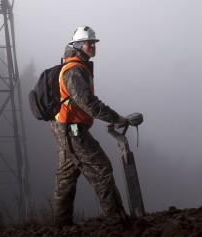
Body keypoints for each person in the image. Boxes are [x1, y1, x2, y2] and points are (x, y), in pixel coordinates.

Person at [50, 26, 129, 228]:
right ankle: (117, 222)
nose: (93, 46)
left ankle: (61, 225)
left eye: (94, 43)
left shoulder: (76, 66)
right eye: (89, 42)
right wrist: (116, 118)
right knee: (101, 169)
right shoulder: (75, 69)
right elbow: (88, 102)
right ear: (77, 45)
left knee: (67, 176)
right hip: (73, 130)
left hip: (65, 128)